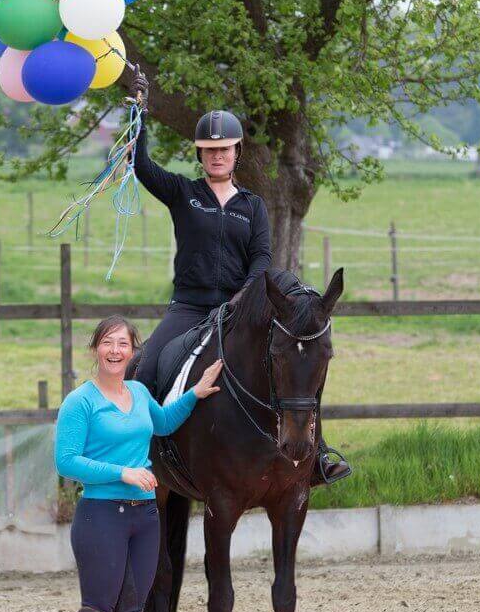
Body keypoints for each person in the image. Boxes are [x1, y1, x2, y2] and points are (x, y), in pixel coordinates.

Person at [130, 67, 350, 486]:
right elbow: (141, 166)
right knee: (147, 368)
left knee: (300, 366)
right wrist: (140, 114)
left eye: (225, 149)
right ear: (199, 155)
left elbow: (262, 257)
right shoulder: (182, 193)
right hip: (190, 307)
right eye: (209, 150)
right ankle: (139, 454)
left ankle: (318, 455)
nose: (217, 155)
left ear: (237, 153)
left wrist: (245, 297)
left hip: (238, 308)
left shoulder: (254, 205)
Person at [55, 315, 222, 612]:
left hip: (145, 517)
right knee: (99, 607)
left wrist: (196, 393)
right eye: (108, 343)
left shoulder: (140, 392)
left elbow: (163, 424)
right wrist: (121, 472)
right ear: (95, 349)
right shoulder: (81, 402)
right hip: (101, 516)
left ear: (133, 352)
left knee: (131, 606)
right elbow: (66, 461)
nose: (115, 351)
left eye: (123, 345)